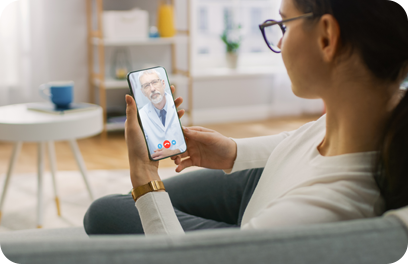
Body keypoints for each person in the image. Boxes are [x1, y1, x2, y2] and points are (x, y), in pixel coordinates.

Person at [83, 0, 408, 235]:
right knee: (109, 209)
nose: (279, 41)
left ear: (326, 37)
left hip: (268, 213)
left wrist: (143, 173)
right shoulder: (374, 116)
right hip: (271, 180)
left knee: (106, 212)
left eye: (283, 25)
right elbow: (304, 137)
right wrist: (232, 151)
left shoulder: (319, 211)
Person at [133, 69, 186, 160]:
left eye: (154, 82)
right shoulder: (141, 115)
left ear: (163, 84)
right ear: (143, 92)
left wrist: (175, 151)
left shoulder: (175, 107)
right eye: (146, 86)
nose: (152, 89)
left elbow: (184, 142)